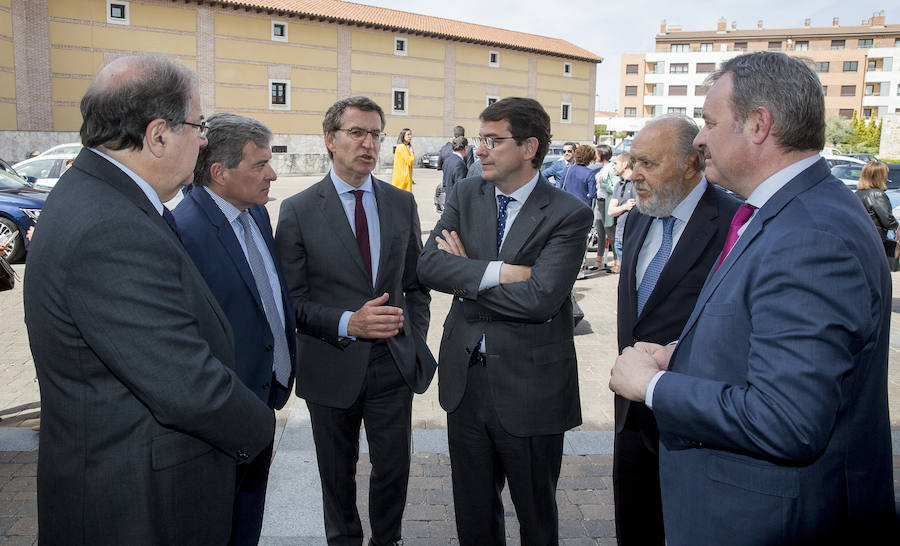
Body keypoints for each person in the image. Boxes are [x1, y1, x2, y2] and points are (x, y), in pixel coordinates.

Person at [610, 52, 895, 545]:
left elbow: (787, 419)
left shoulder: (811, 233)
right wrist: (684, 356)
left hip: (767, 519)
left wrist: (653, 386)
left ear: (759, 125)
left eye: (709, 122)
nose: (699, 138)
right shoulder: (787, 213)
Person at [23, 55, 274, 544]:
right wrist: (259, 427)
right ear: (158, 135)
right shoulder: (110, 226)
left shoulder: (102, 195)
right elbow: (185, 383)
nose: (204, 140)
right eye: (198, 125)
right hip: (136, 503)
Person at [418, 97, 593, 545]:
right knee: (473, 518)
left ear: (529, 147)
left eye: (493, 140)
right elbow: (428, 267)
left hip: (531, 387)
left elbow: (541, 300)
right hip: (465, 383)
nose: (480, 149)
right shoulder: (465, 194)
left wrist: (467, 276)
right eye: (480, 139)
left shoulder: (568, 213)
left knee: (536, 518)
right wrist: (499, 272)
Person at [276, 96, 436, 546]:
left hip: (392, 364)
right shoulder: (298, 210)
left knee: (393, 471)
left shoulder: (401, 204)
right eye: (357, 133)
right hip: (330, 363)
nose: (369, 144)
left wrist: (412, 337)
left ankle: (388, 540)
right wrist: (350, 322)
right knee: (336, 474)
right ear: (330, 139)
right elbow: (290, 301)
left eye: (376, 135)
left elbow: (416, 284)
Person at [612, 115, 740, 546]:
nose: (634, 175)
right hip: (631, 416)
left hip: (697, 423)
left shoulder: (736, 223)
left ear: (692, 163)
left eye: (647, 163)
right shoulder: (638, 218)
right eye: (632, 162)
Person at [173, 113, 296, 545]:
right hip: (221, 415)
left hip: (260, 401)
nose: (272, 173)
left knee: (247, 523)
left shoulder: (256, 213)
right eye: (259, 165)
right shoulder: (185, 232)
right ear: (219, 173)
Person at [855, 160, 898, 261]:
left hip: (861, 239)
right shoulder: (878, 194)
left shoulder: (857, 193)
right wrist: (897, 225)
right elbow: (888, 222)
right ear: (880, 176)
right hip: (876, 240)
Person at [587, 144, 616, 271]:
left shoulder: (611, 168)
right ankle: (598, 261)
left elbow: (613, 188)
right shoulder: (601, 168)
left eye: (597, 153)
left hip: (606, 202)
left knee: (610, 231)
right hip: (598, 202)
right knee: (599, 232)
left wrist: (602, 184)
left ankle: (617, 261)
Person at [608, 153, 635, 273]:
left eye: (615, 163)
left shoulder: (638, 184)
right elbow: (611, 211)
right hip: (620, 236)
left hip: (632, 236)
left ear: (625, 165)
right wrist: (625, 207)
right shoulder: (619, 185)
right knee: (624, 275)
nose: (613, 167)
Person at [441, 135, 468, 202]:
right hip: (456, 202)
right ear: (465, 148)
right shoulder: (460, 163)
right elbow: (460, 187)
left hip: (448, 198)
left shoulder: (447, 160)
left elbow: (444, 182)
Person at [391, 127, 414, 192]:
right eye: (408, 134)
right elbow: (410, 161)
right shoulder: (402, 147)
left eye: (411, 134)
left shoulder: (402, 147)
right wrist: (412, 152)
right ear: (403, 136)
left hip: (402, 178)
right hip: (403, 179)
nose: (410, 136)